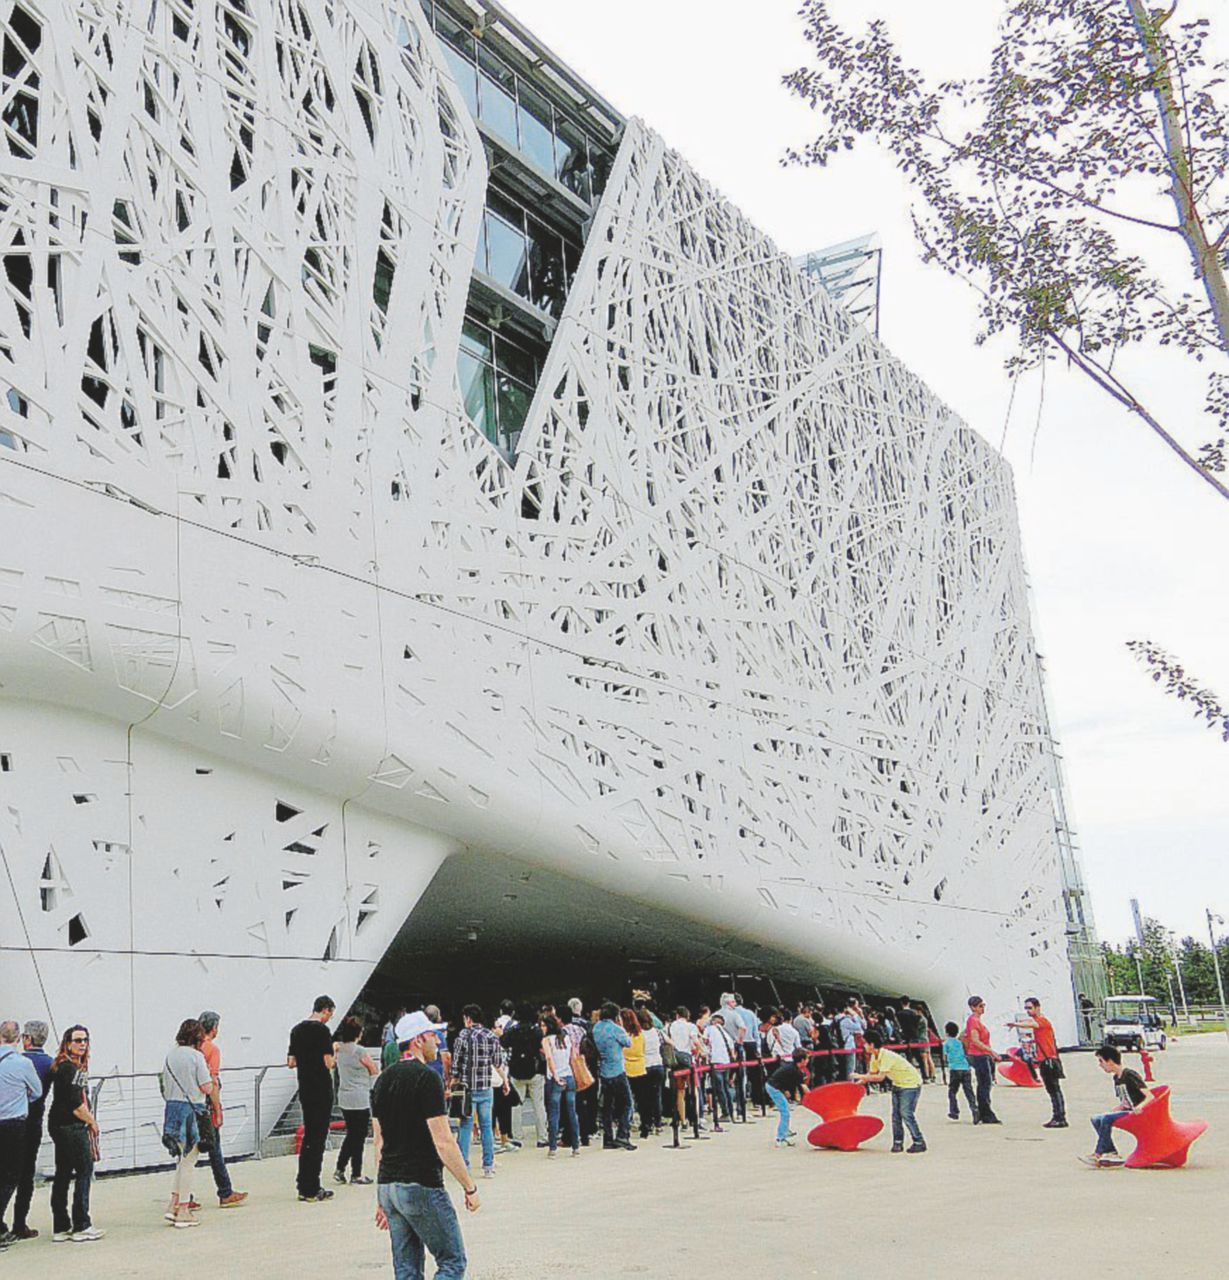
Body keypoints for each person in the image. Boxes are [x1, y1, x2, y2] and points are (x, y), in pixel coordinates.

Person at [372, 1010, 479, 1279]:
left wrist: (380, 1196)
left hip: (390, 1185)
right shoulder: (427, 1079)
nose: (439, 1041)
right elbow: (443, 1141)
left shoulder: (383, 1080)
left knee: (406, 1269)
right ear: (418, 1040)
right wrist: (469, 1186)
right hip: (420, 1182)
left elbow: (379, 1141)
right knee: (452, 1262)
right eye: (434, 1035)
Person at [47, 1024, 101, 1242]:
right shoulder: (71, 1069)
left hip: (59, 1124)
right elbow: (77, 1104)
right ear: (67, 1043)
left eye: (85, 1040)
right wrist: (92, 1122)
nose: (82, 1044)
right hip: (71, 1125)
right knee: (84, 1170)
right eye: (77, 1040)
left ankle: (61, 1226)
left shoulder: (65, 1066)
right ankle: (81, 1224)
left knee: (63, 1172)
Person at [161, 1018, 214, 1229]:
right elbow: (206, 1087)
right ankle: (183, 1209)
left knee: (181, 1160)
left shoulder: (170, 1055)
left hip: (173, 1108)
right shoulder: (196, 1057)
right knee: (189, 1162)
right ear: (198, 1037)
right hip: (192, 1110)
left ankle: (173, 1204)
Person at [287, 995, 337, 1202]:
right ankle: (312, 1186)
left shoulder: (297, 1030)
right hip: (321, 1087)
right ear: (325, 1010)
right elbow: (328, 1063)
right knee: (318, 1138)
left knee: (309, 1135)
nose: (329, 1018)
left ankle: (303, 1183)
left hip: (305, 1087)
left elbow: (291, 1062)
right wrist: (333, 1051)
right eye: (330, 1014)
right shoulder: (322, 1031)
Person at [197, 1012, 248, 1208]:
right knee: (215, 1148)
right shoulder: (212, 1049)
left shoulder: (192, 1047)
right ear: (214, 1028)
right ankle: (225, 1191)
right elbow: (213, 1080)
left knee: (188, 1153)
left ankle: (185, 1196)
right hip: (206, 1105)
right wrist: (218, 1108)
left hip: (190, 1103)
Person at [449, 1005, 505, 1179]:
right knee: (486, 1127)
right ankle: (488, 1165)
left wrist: (451, 1083)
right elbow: (497, 1061)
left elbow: (456, 1066)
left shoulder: (462, 1037)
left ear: (468, 1018)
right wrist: (505, 1081)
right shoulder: (491, 1036)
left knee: (465, 1126)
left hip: (467, 1089)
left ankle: (464, 1164)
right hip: (485, 1087)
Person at [9, 1021, 53, 1240]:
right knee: (26, 1176)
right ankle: (20, 1223)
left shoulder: (18, 1061)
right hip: (34, 1123)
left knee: (7, 1173)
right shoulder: (50, 1063)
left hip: (12, 1121)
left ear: (27, 1039)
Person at [0, 1020, 42, 1250]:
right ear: (18, 1039)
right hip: (14, 1125)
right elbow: (37, 1091)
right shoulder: (22, 1063)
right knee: (10, 1176)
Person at [1081, 1045, 1154, 1168]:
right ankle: (1111, 1151)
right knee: (1096, 1118)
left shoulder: (1130, 1075)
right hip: (1128, 1110)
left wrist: (1140, 1107)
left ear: (1110, 1061)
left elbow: (1149, 1096)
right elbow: (1126, 1102)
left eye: (1101, 1061)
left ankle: (1098, 1153)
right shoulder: (1117, 1078)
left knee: (1106, 1119)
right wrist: (1116, 1109)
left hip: (1137, 1112)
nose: (1100, 1065)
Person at [855, 1027, 926, 1153]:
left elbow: (879, 1077)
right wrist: (856, 1085)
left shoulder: (886, 1056)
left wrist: (859, 1076)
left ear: (872, 1044)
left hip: (910, 1084)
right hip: (898, 1084)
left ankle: (919, 1141)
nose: (864, 1046)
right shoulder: (875, 1057)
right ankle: (898, 1142)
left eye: (865, 1043)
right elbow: (871, 1074)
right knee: (896, 1115)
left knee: (906, 1113)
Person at [333, 1016, 379, 1184]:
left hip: (344, 1096)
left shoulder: (339, 1050)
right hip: (360, 1097)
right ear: (359, 1033)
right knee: (358, 1136)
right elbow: (374, 1069)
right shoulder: (359, 1051)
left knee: (351, 1134)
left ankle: (340, 1167)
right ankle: (356, 1173)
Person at [1008, 997, 1066, 1128]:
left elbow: (1031, 1024)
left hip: (1048, 1061)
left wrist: (1015, 1024)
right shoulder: (1040, 1022)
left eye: (1030, 1008)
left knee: (1054, 1090)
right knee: (1053, 1090)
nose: (1028, 1011)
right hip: (1046, 1060)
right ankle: (1058, 1116)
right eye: (1026, 1008)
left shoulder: (1042, 1021)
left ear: (1037, 1007)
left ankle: (1059, 1117)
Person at [592, 1003, 635, 1150]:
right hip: (617, 1070)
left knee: (607, 1107)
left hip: (604, 1071)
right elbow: (628, 1043)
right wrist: (621, 1025)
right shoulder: (616, 1029)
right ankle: (622, 1134)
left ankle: (608, 1138)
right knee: (627, 1103)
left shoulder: (596, 1028)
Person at [503, 1004, 545, 1149]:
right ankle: (542, 1137)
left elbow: (503, 1042)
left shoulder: (513, 1030)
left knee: (516, 1105)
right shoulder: (537, 1031)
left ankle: (517, 1137)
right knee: (538, 1104)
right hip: (535, 1070)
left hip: (516, 1070)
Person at [540, 1015, 580, 1158]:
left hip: (555, 1078)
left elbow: (549, 1058)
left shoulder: (546, 1040)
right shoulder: (566, 1038)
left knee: (554, 1114)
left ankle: (553, 1148)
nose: (541, 1028)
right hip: (569, 1076)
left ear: (548, 1026)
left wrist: (555, 1075)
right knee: (572, 1112)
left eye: (543, 1026)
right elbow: (573, 1056)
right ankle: (576, 1146)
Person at [964, 996, 1001, 1124]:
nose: (982, 1008)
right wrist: (992, 1052)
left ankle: (984, 1110)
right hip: (979, 1054)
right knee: (984, 1084)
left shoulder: (975, 1021)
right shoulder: (973, 1021)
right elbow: (975, 1040)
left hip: (982, 1054)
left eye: (983, 1005)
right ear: (973, 1007)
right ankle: (985, 1112)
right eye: (980, 1006)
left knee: (985, 1083)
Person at [765, 1047, 810, 1147]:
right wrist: (814, 1097)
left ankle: (785, 1129)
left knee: (785, 1110)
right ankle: (780, 1138)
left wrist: (785, 1090)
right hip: (773, 1088)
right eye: (807, 1059)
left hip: (776, 1086)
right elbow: (804, 1088)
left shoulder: (792, 1067)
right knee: (785, 1112)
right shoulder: (796, 1071)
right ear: (802, 1060)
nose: (808, 1061)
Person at [703, 1013, 736, 1124]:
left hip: (715, 1061)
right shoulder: (725, 1033)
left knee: (719, 1089)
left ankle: (725, 1112)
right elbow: (732, 1049)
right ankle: (731, 1112)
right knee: (726, 1088)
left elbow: (704, 1042)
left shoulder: (709, 1029)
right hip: (726, 1062)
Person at [941, 1020, 977, 1121]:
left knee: (952, 1091)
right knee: (968, 1091)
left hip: (954, 1069)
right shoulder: (960, 1042)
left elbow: (944, 1057)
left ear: (946, 1032)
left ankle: (954, 1111)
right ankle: (974, 1109)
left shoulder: (946, 1043)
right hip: (965, 1068)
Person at [637, 1009, 665, 1138]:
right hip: (658, 1064)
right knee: (657, 1095)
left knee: (644, 1097)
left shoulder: (639, 1034)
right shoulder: (657, 1032)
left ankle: (646, 1124)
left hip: (645, 1065)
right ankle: (658, 1124)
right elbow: (668, 1042)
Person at [833, 998, 866, 1081]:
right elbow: (859, 1027)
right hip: (849, 1046)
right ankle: (850, 1085)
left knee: (843, 1068)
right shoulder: (846, 1020)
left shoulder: (836, 1018)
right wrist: (855, 1015)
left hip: (840, 1045)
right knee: (850, 1068)